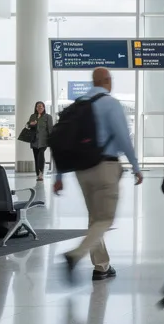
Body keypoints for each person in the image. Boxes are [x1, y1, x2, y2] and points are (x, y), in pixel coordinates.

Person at [54, 67, 142, 282]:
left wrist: (59, 176)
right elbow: (123, 138)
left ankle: (101, 267)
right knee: (104, 219)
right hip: (106, 167)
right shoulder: (110, 103)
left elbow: (63, 142)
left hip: (82, 171)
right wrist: (135, 166)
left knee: (95, 219)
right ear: (107, 81)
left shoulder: (77, 106)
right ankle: (74, 256)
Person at [27, 101, 54, 181]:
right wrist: (31, 124)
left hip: (43, 140)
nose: (40, 108)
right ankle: (37, 174)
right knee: (36, 157)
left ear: (44, 108)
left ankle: (41, 174)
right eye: (38, 107)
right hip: (34, 140)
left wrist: (51, 139)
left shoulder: (48, 117)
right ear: (36, 108)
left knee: (41, 155)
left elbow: (50, 129)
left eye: (41, 107)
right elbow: (28, 126)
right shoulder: (33, 116)